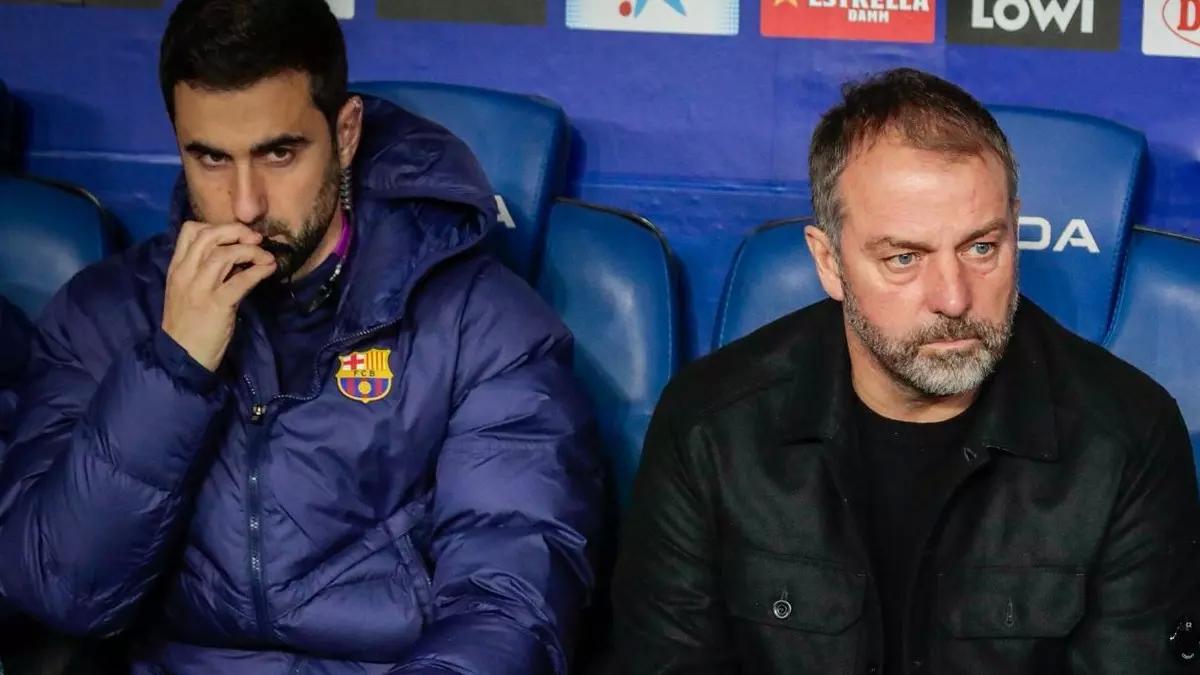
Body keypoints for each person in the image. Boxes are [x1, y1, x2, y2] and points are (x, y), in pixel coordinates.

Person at [0, 1, 602, 673]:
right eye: (211, 159)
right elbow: (62, 594)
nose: (246, 204)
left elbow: (506, 605)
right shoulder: (108, 314)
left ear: (345, 134)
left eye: (278, 153)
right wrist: (171, 368)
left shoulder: (482, 323)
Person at [608, 68, 1200, 673]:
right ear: (829, 262)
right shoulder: (710, 426)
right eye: (904, 258)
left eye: (981, 248)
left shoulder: (1127, 438)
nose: (953, 298)